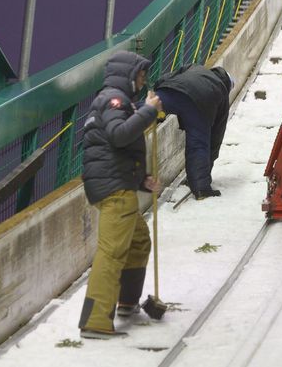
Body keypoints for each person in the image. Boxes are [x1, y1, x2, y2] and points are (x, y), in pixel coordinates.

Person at [79, 51, 163, 339]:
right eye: (140, 74)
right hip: (115, 192)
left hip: (118, 186)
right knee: (112, 253)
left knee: (138, 241)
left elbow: (113, 151)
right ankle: (95, 321)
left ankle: (127, 302)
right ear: (128, 75)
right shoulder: (115, 100)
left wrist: (142, 181)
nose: (143, 80)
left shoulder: (113, 100)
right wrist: (148, 111)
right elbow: (118, 135)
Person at [153, 64, 234, 200]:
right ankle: (201, 189)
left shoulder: (195, 67)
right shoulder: (221, 91)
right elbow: (216, 136)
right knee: (198, 145)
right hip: (199, 104)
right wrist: (207, 166)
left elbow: (166, 77)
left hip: (174, 89)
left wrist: (159, 91)